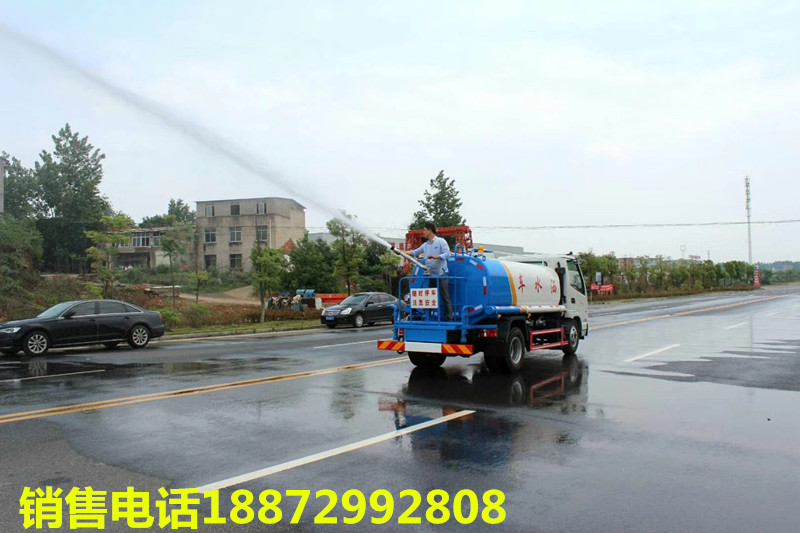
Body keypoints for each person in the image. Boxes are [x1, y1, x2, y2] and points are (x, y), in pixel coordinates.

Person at [409, 222, 453, 320]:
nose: (423, 232)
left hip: (442, 274)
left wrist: (436, 257)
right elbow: (414, 252)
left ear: (430, 230)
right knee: (430, 296)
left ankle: (449, 318)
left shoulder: (441, 241)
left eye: (424, 230)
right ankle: (429, 317)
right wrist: (400, 252)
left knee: (445, 296)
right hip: (431, 275)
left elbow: (447, 254)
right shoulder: (425, 245)